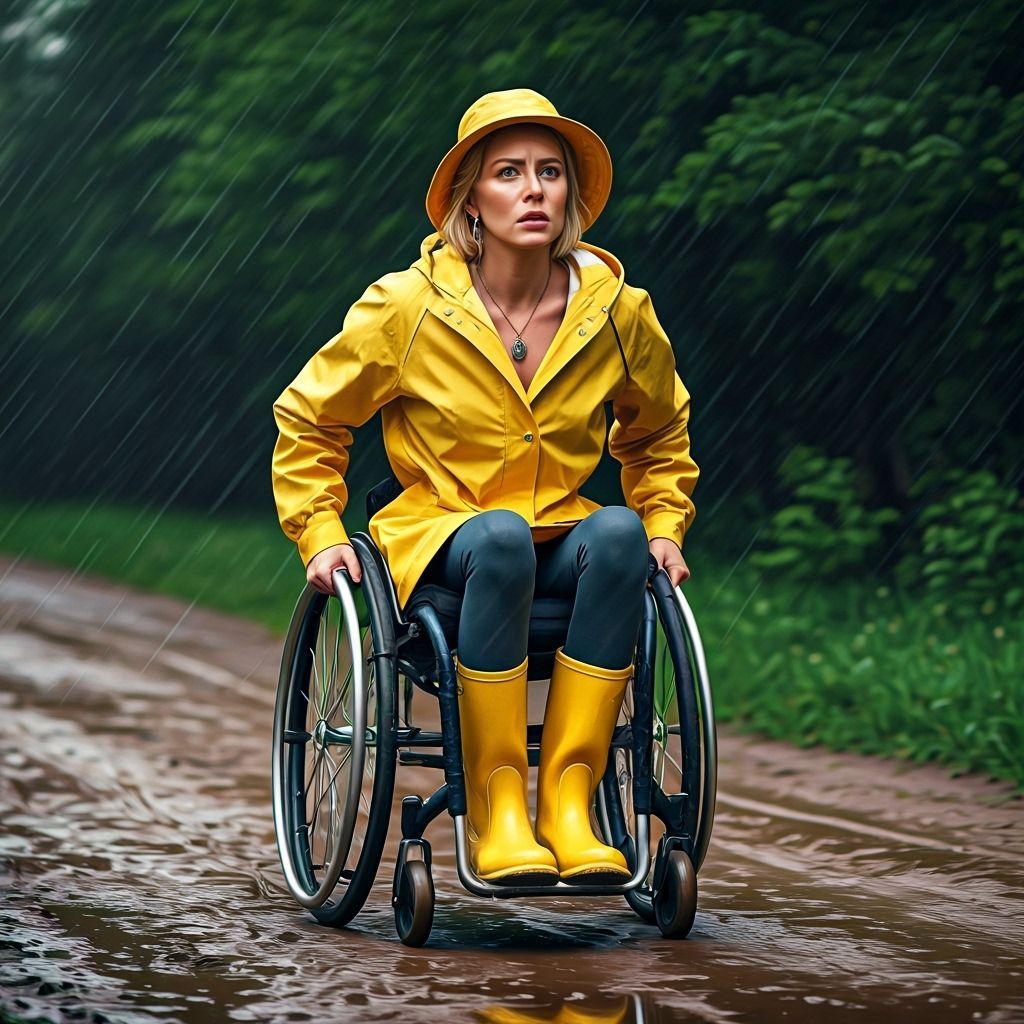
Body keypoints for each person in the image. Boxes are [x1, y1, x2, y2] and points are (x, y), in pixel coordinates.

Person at [272, 88, 698, 887]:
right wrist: (320, 533)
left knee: (619, 532)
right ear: (471, 199)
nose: (533, 190)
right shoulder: (406, 306)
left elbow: (659, 433)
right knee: (499, 537)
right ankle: (499, 808)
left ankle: (568, 805)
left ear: (570, 194)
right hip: (442, 537)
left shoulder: (617, 312)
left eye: (549, 172)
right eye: (509, 173)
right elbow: (310, 420)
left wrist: (665, 522)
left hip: (559, 538)